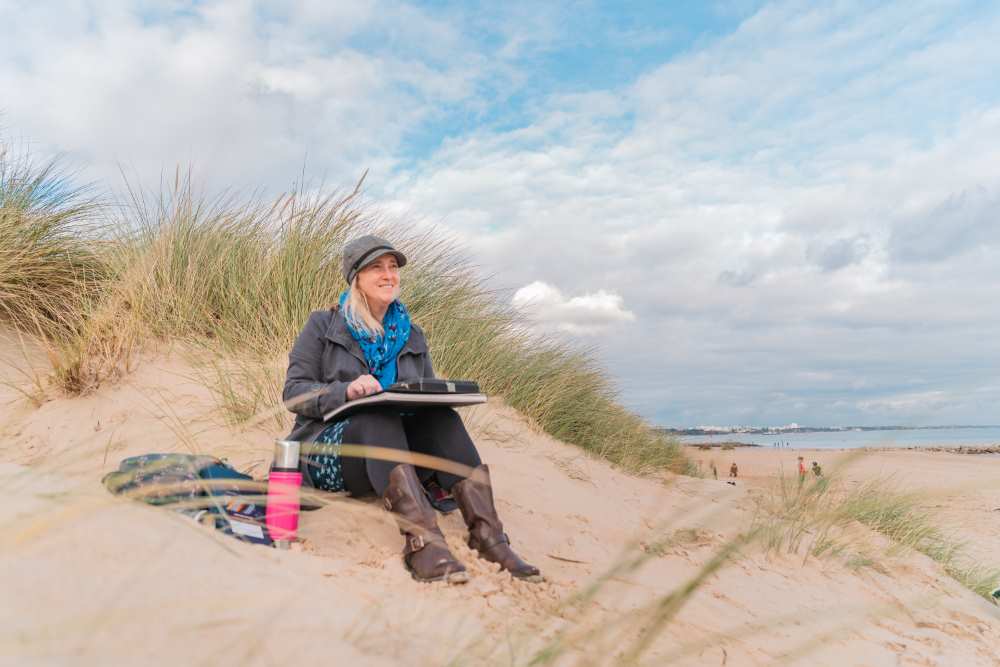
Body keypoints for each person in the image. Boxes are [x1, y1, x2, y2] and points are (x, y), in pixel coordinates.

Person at [282, 235, 541, 585]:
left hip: (393, 460)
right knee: (375, 414)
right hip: (334, 453)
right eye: (377, 267)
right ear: (355, 277)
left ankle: (489, 536)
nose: (389, 275)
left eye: (393, 267)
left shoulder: (412, 334)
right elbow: (294, 393)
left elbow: (424, 401)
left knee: (441, 417)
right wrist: (346, 390)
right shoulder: (323, 325)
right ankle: (423, 542)